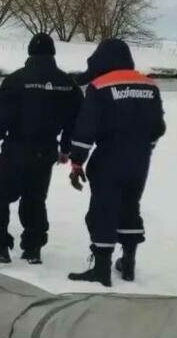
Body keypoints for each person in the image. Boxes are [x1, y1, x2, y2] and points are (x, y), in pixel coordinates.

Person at [66, 39, 166, 287]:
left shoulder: (100, 86)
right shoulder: (150, 85)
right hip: (140, 158)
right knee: (130, 206)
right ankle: (129, 263)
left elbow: (86, 128)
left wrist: (77, 162)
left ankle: (101, 269)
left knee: (103, 209)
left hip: (109, 157)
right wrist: (146, 146)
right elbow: (158, 127)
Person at [0, 33, 81, 264]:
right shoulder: (67, 84)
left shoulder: (16, 80)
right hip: (46, 152)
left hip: (16, 149)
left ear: (30, 52)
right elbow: (75, 120)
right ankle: (33, 248)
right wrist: (66, 148)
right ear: (52, 53)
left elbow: (0, 115)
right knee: (34, 199)